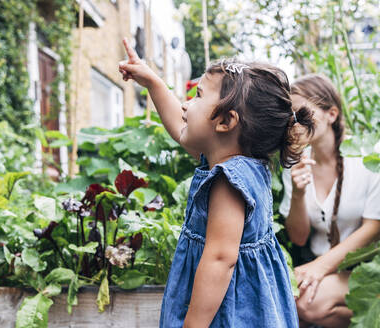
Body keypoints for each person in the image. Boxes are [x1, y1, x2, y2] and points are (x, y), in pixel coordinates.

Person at [119, 38, 315, 327]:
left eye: (198, 96)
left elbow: (221, 259)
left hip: (228, 309)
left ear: (225, 122)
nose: (186, 105)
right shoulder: (238, 159)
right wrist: (152, 82)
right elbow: (181, 127)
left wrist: (193, 325)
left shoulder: (228, 182)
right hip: (242, 299)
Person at [279, 74, 380, 328]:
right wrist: (298, 194)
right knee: (290, 300)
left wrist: (319, 268)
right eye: (291, 117)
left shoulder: (371, 157)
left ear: (331, 114)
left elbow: (374, 228)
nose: (295, 123)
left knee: (304, 303)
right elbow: (298, 238)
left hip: (371, 266)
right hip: (327, 268)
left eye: (302, 113)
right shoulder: (295, 162)